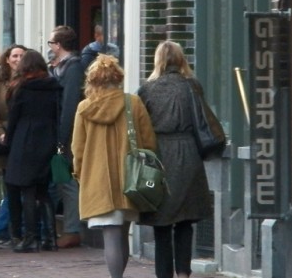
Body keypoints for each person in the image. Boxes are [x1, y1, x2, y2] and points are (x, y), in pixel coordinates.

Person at [73, 54, 157, 278]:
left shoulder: (84, 108)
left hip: (97, 180)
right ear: (118, 78)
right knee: (122, 234)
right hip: (129, 178)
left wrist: (80, 174)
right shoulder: (133, 103)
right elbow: (149, 142)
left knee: (109, 234)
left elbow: (77, 148)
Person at [137, 41, 214, 278]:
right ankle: (183, 273)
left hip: (159, 155)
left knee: (161, 224)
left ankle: (164, 275)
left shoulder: (147, 89)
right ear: (181, 60)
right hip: (188, 152)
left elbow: (140, 127)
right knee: (185, 220)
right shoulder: (192, 86)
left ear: (157, 60)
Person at [2, 49, 61, 253]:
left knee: (27, 190)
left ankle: (31, 238)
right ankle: (51, 239)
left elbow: (14, 119)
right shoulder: (55, 88)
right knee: (43, 191)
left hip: (25, 141)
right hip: (48, 141)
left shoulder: (23, 89)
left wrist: (7, 142)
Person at [48, 25, 86, 248]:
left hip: (67, 135)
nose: (50, 48)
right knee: (57, 180)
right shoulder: (60, 67)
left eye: (51, 43)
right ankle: (49, 226)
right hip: (59, 133)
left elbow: (69, 105)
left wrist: (62, 138)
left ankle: (72, 229)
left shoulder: (73, 68)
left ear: (59, 45)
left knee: (67, 181)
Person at [0, 44, 27, 246]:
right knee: (9, 187)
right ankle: (7, 230)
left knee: (21, 187)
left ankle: (6, 230)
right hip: (5, 144)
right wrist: (0, 133)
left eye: (22, 55)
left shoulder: (29, 82)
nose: (18, 59)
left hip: (25, 142)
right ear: (7, 59)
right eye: (14, 55)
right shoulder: (0, 82)